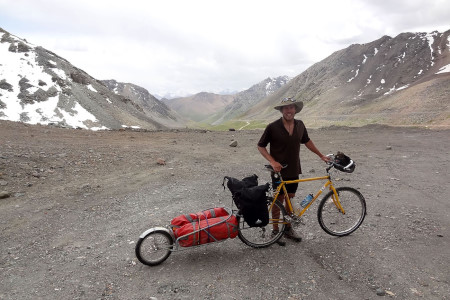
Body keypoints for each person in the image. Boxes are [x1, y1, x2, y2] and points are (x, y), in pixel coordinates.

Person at [257, 97, 329, 243]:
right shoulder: (272, 127)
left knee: (290, 199)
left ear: (295, 109)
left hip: (294, 169)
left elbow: (307, 141)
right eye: (286, 108)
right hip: (278, 171)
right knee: (279, 200)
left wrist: (321, 155)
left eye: (291, 108)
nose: (289, 110)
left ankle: (288, 228)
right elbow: (260, 145)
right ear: (281, 110)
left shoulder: (300, 125)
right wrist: (272, 161)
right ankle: (275, 231)